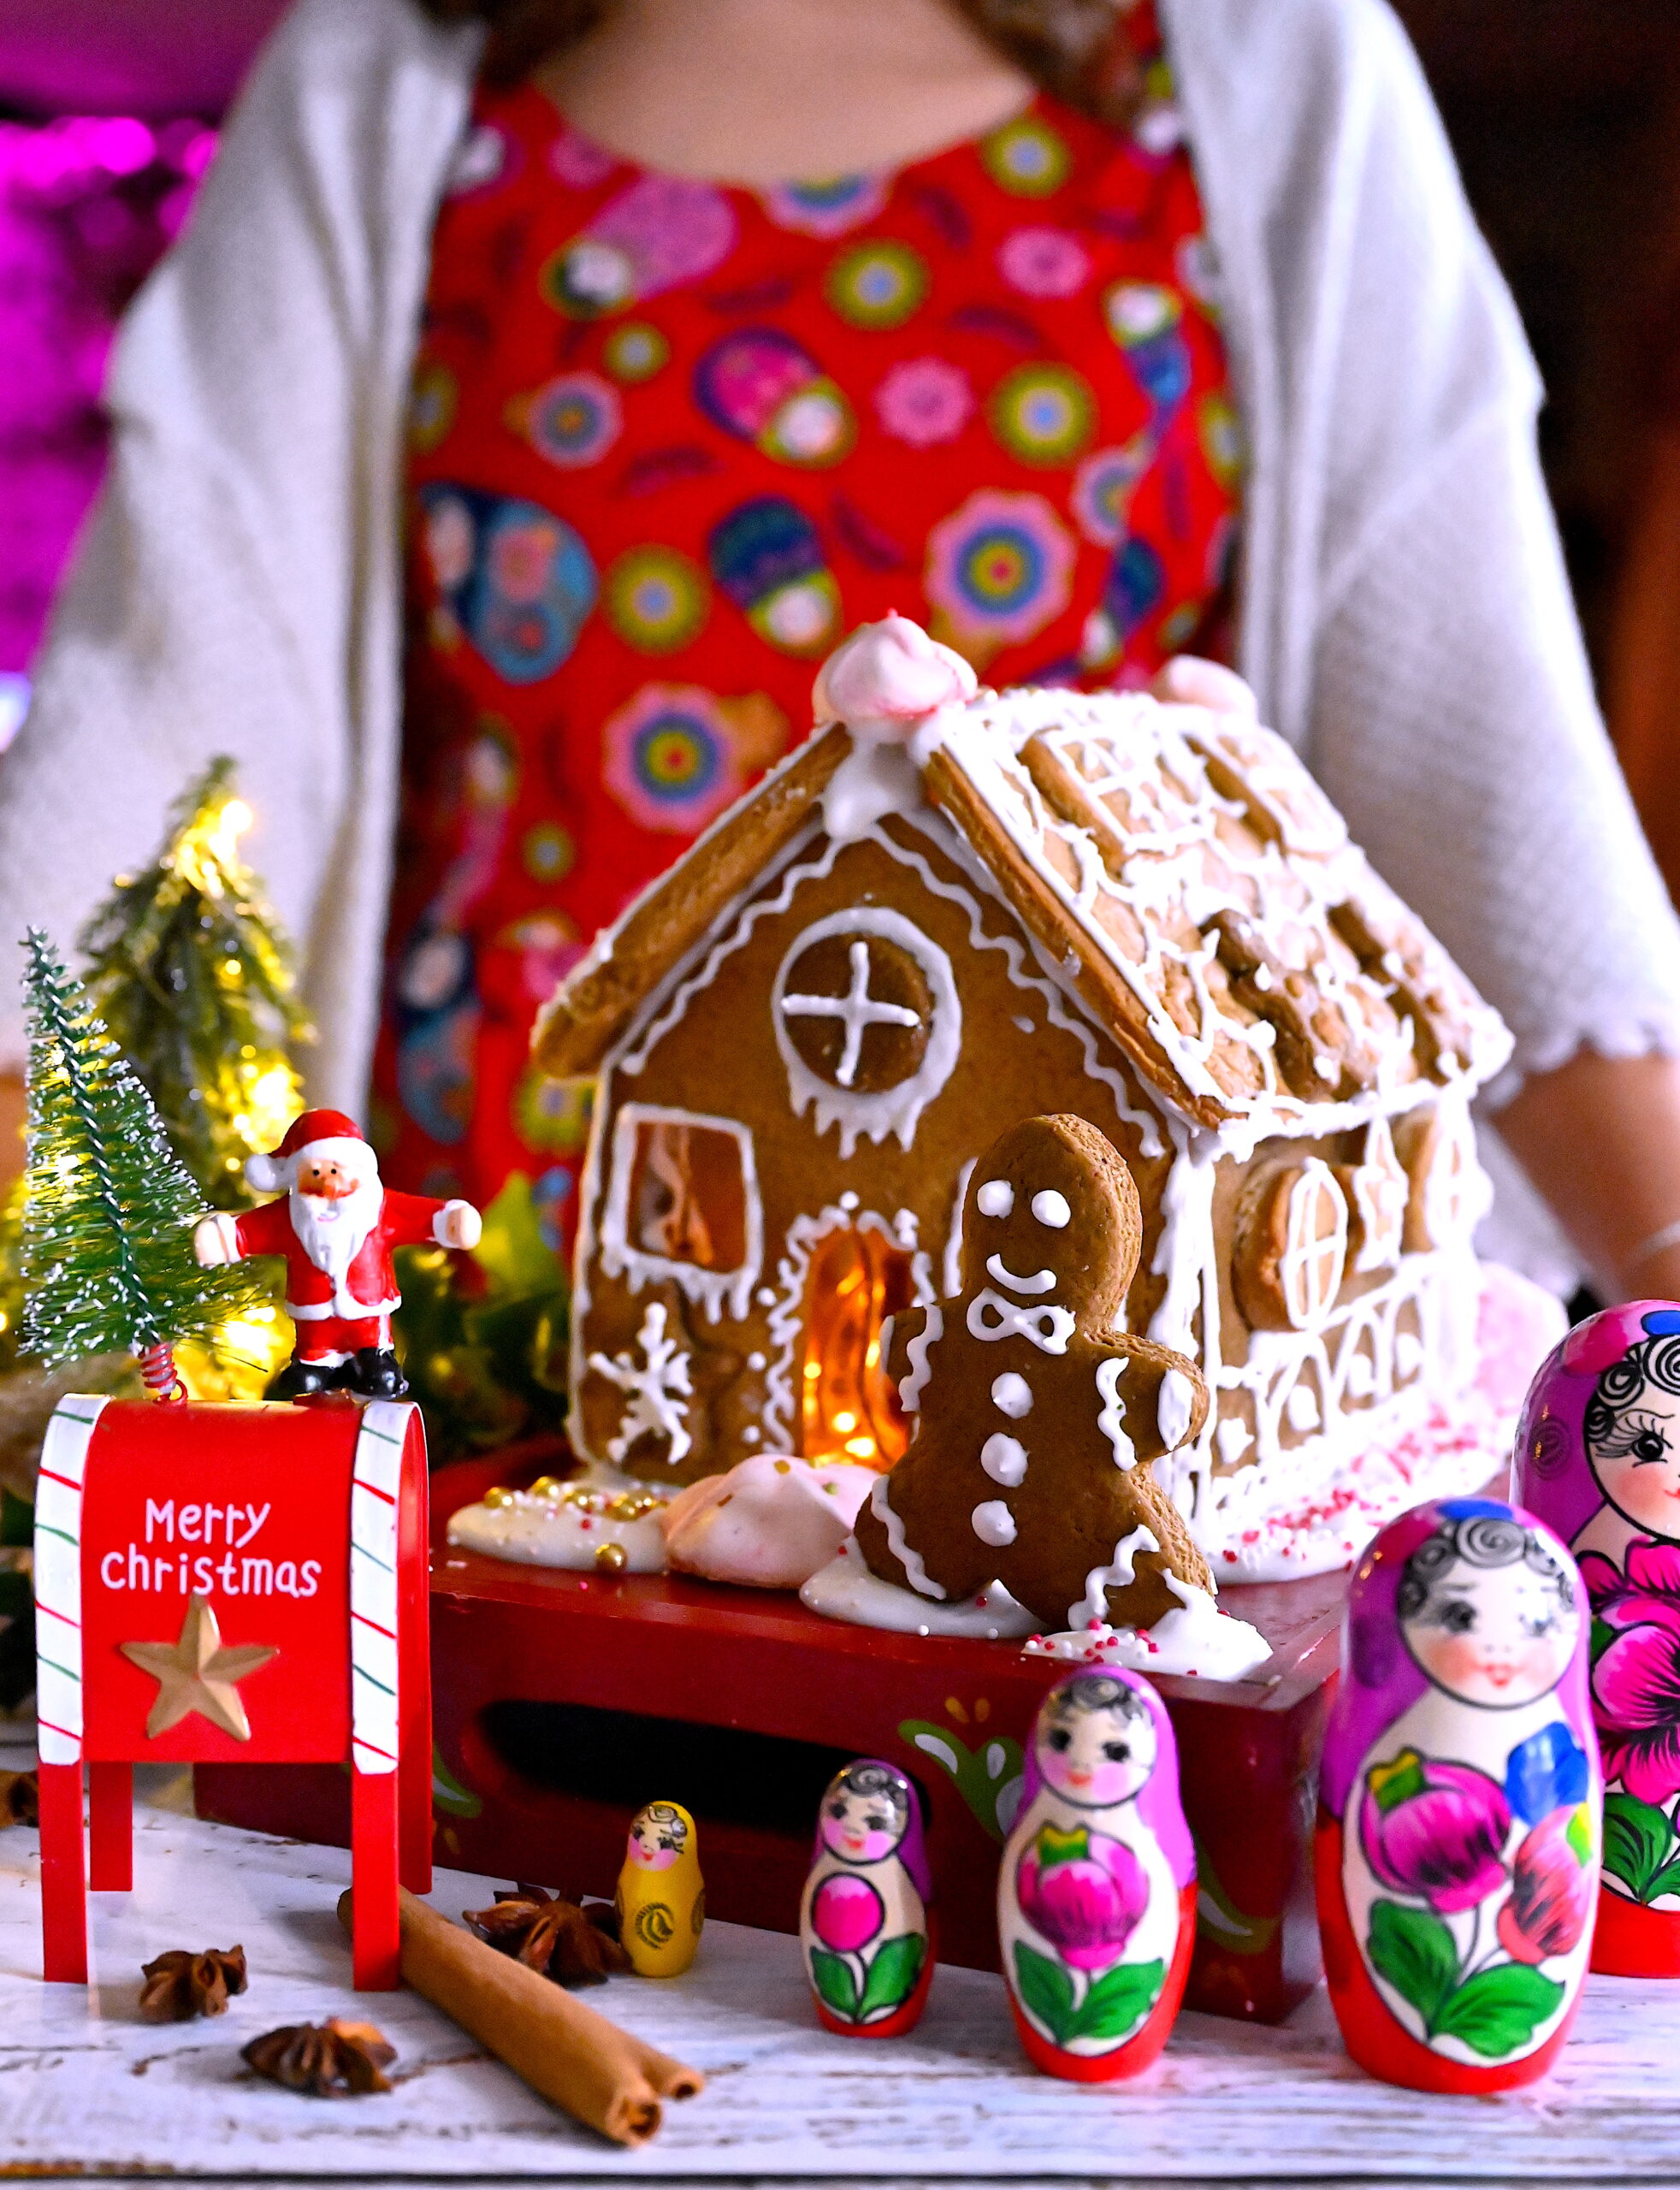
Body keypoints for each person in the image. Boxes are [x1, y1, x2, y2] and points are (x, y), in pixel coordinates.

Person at [2, 0, 1679, 1304]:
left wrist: (1661, 1261)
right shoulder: (389, 76)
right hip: (502, 1324)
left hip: (1103, 1336)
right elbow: (181, 688)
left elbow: (1466, 747)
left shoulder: (1260, 61)